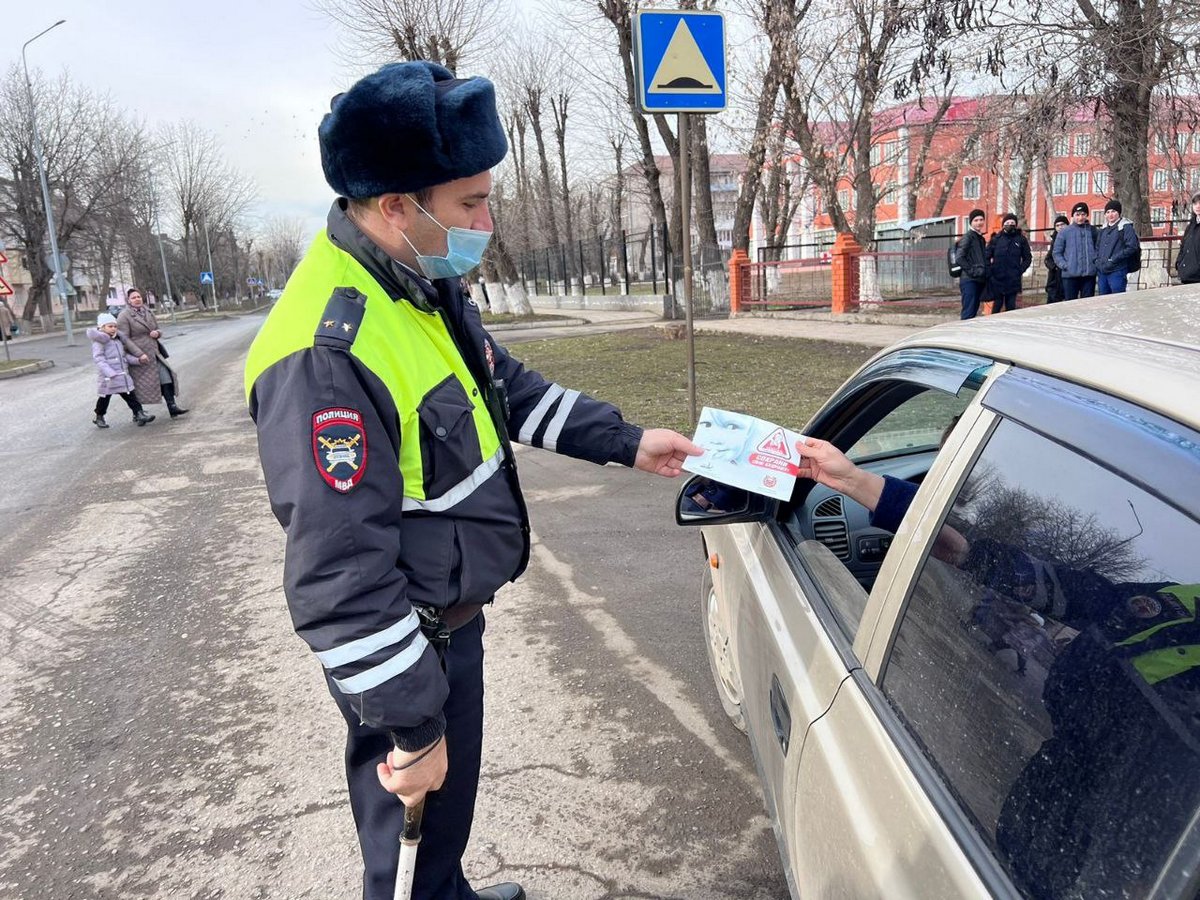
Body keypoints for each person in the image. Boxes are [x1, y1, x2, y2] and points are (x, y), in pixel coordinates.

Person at [243, 61, 701, 900]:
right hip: (408, 640)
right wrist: (413, 727)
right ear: (395, 206)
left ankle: (446, 888)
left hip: (450, 619)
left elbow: (504, 387)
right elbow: (338, 575)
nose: (486, 222)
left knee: (445, 824)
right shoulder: (328, 353)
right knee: (411, 829)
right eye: (469, 204)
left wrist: (630, 443)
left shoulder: (420, 283)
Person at [117, 288, 188, 417]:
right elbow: (124, 339)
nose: (137, 299)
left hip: (154, 353)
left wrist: (157, 333)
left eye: (138, 296)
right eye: (133, 297)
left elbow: (158, 329)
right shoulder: (124, 315)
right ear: (128, 300)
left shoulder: (148, 311)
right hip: (138, 357)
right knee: (138, 387)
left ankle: (172, 407)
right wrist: (139, 354)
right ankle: (137, 413)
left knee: (166, 377)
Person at [88, 313, 155, 428]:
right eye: (110, 326)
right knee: (104, 398)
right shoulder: (99, 342)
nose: (113, 329)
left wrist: (137, 360)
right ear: (101, 327)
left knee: (130, 396)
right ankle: (99, 416)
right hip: (108, 377)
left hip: (121, 375)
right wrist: (109, 372)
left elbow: (124, 357)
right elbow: (99, 359)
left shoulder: (117, 340)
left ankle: (139, 413)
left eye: (115, 326)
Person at [986, 212, 1032, 313]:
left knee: (1011, 308)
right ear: (1003, 225)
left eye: (1012, 222)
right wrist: (990, 271)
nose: (1010, 225)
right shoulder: (996, 239)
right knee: (996, 307)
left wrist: (1019, 270)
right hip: (997, 279)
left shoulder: (1021, 239)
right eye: (1007, 222)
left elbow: (1027, 258)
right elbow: (987, 256)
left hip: (1013, 280)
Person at [1052, 202, 1098, 301]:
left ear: (1087, 215)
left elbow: (1098, 249)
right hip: (1070, 276)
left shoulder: (1093, 231)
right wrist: (1065, 265)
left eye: (1083, 214)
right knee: (1070, 304)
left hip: (1089, 275)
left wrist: (1095, 263)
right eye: (1077, 215)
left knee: (1088, 304)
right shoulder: (1064, 232)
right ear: (1072, 216)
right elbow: (1057, 252)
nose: (1080, 217)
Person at [1095, 199, 1140, 295]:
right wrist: (1097, 261)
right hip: (1102, 270)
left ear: (1119, 213)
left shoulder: (1125, 227)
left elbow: (1131, 247)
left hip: (1117, 270)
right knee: (1103, 300)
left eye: (1113, 211)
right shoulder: (1103, 230)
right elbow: (1097, 247)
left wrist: (1114, 259)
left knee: (1117, 298)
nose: (1110, 215)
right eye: (1108, 212)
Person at [955, 209, 989, 319]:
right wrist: (973, 271)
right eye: (976, 220)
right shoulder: (968, 237)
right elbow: (959, 258)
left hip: (978, 279)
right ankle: (963, 334)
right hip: (969, 280)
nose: (979, 222)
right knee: (968, 313)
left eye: (981, 219)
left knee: (973, 311)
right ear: (971, 222)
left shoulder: (980, 238)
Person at [1043, 214, 1069, 304]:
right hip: (1054, 278)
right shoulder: (1054, 239)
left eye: (1062, 224)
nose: (1060, 227)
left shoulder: (1071, 238)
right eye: (1057, 225)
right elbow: (1048, 259)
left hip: (1068, 274)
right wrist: (1054, 267)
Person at [1176, 191, 1200, 285]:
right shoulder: (1190, 226)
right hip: (1186, 275)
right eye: (1195, 203)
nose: (1198, 206)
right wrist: (1179, 263)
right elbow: (1183, 247)